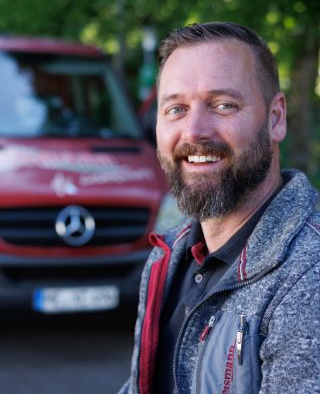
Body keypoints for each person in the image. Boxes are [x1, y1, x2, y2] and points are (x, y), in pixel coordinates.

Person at [119, 21, 320, 393]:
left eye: (223, 105)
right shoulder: (167, 257)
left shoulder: (309, 276)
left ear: (275, 118)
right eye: (176, 109)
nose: (195, 131)